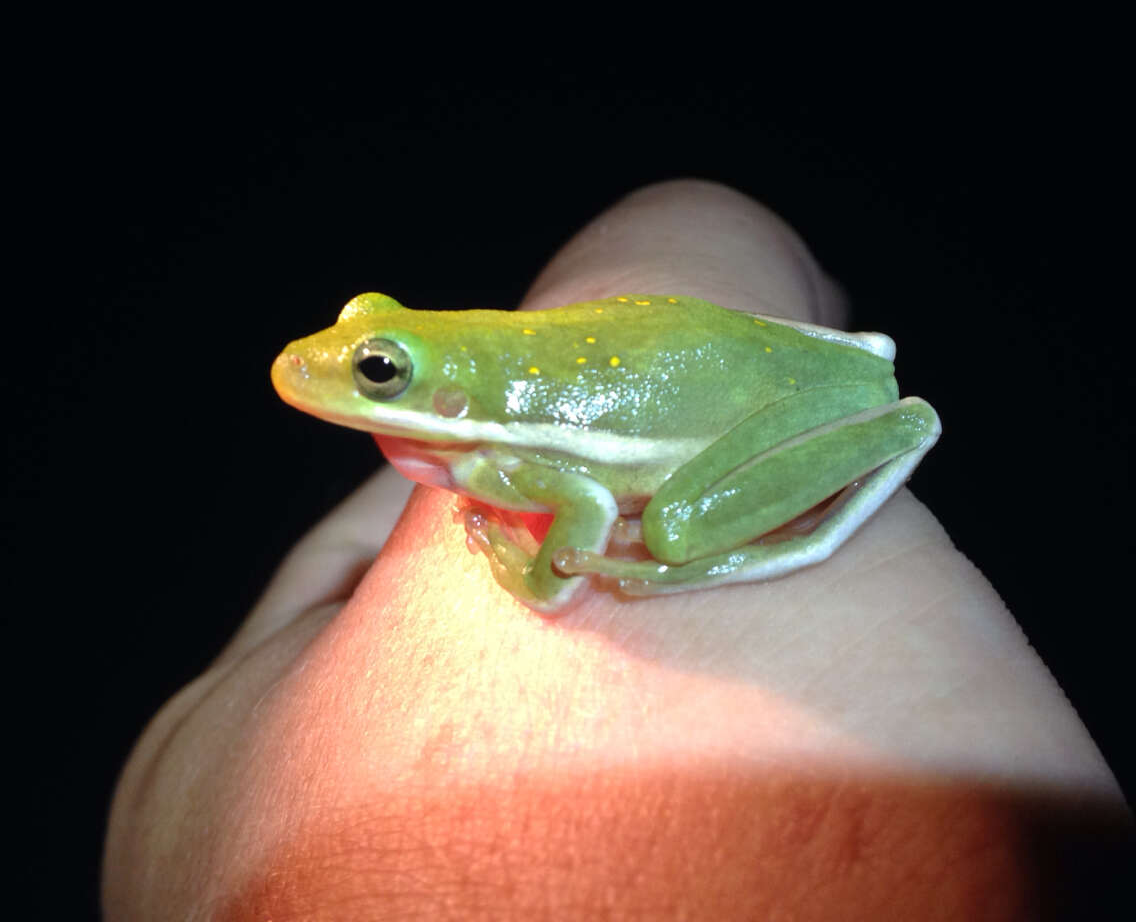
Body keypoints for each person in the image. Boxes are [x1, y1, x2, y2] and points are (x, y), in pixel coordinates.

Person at [103, 180, 1133, 919]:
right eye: (370, 353)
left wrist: (531, 566)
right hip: (774, 355)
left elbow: (581, 528)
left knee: (673, 526)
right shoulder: (479, 427)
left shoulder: (509, 460)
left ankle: (770, 540)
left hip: (746, 410)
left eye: (376, 367)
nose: (326, 366)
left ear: (438, 390)